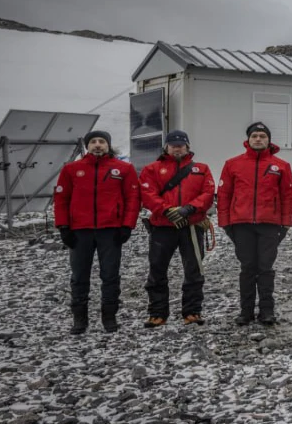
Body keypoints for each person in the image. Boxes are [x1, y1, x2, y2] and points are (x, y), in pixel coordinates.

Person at [53, 130, 139, 334]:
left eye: (102, 141)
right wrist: (63, 226)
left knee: (110, 275)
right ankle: (79, 318)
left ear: (108, 145)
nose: (98, 145)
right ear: (87, 146)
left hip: (110, 230)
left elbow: (133, 199)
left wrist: (127, 225)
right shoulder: (71, 169)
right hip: (79, 231)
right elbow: (61, 199)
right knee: (79, 276)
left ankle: (109, 316)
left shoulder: (124, 169)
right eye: (93, 142)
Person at [218, 122, 292, 326]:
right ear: (248, 140)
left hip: (269, 224)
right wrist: (225, 222)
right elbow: (224, 195)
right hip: (241, 224)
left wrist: (286, 223)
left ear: (269, 140)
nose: (258, 139)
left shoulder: (281, 166)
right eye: (254, 136)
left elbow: (288, 196)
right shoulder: (232, 164)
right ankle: (246, 312)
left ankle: (267, 311)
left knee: (266, 267)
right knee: (247, 267)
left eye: (262, 136)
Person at [138, 130, 215, 328]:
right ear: (166, 147)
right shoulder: (152, 169)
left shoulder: (201, 169)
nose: (177, 148)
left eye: (181, 145)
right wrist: (167, 210)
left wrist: (189, 209)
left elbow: (208, 193)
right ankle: (157, 313)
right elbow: (147, 194)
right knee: (157, 268)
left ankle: (192, 311)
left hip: (191, 226)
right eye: (173, 145)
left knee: (194, 269)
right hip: (162, 227)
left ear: (187, 147)